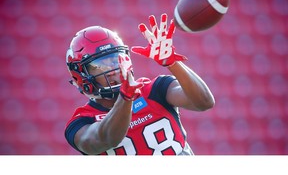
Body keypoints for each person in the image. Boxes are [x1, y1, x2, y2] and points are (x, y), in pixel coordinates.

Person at [64, 13, 215, 155]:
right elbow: (105, 139)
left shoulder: (154, 90)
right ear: (80, 76)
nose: (112, 70)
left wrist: (172, 63)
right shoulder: (81, 122)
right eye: (100, 65)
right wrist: (126, 98)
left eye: (115, 59)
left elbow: (204, 102)